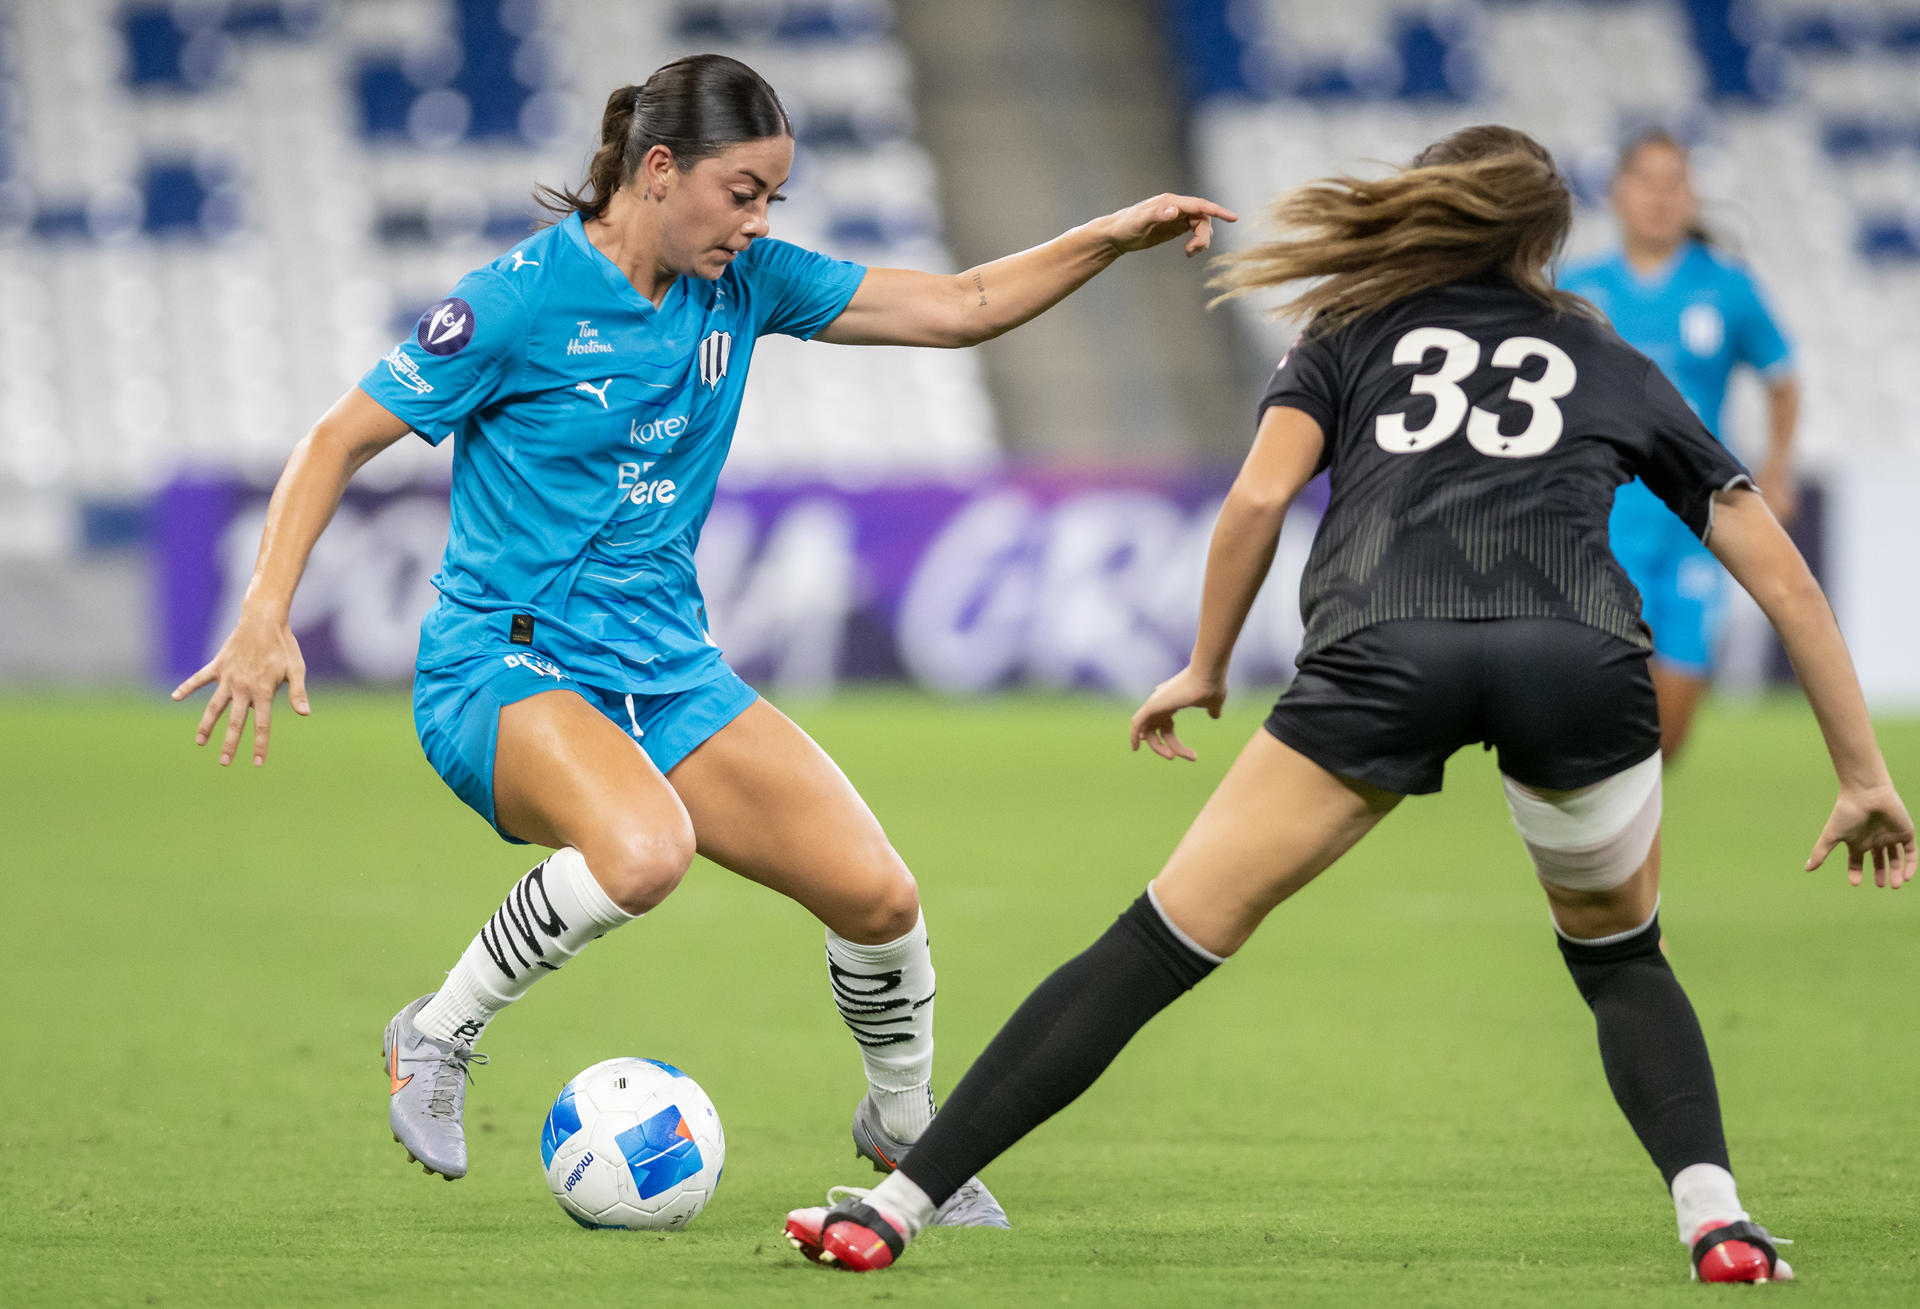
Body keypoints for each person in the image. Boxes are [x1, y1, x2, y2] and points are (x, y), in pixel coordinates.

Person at [784, 125, 1912, 1281]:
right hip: (1575, 654)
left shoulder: (1350, 330)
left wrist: (1208, 662)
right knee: (1623, 959)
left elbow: (1258, 501)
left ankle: (897, 1204)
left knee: (1155, 945)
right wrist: (1864, 774)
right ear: (1547, 237)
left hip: (1387, 649)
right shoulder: (1607, 353)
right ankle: (1716, 1220)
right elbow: (1781, 575)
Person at [170, 53, 1234, 1226]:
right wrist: (265, 611)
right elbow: (334, 440)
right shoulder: (518, 301)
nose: (759, 221)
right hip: (501, 666)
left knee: (880, 899)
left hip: (668, 672)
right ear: (659, 169)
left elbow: (964, 304)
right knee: (642, 852)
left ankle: (902, 1120)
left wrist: (1111, 237)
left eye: (773, 196)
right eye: (744, 192)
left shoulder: (748, 283)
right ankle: (436, 1030)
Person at [1561, 130, 1800, 760]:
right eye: (1648, 182)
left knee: (1672, 731)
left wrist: (1777, 469)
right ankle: (1614, 850)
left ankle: (1624, 840)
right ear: (1618, 192)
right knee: (1608, 714)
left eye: (1675, 184)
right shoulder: (1580, 289)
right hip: (1605, 525)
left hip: (1699, 523)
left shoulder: (1728, 287)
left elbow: (1783, 377)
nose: (1661, 199)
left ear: (1691, 196)